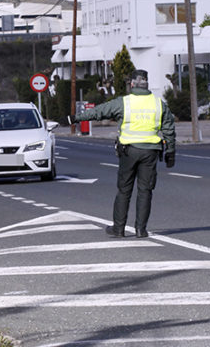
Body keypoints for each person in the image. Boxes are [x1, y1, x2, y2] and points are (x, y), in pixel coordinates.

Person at [73, 69, 176, 239]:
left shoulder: (124, 102)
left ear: (132, 84)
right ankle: (141, 230)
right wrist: (170, 152)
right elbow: (169, 129)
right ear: (147, 84)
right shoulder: (159, 103)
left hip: (129, 151)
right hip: (150, 151)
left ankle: (119, 228)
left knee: (124, 190)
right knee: (145, 191)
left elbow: (100, 111)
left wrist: (77, 118)